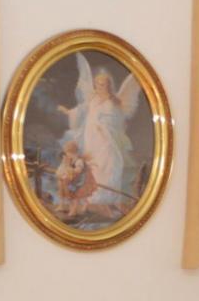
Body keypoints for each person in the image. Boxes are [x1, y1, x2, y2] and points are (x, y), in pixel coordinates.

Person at [57, 55, 144, 215]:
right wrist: (68, 111)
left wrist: (103, 126)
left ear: (108, 85)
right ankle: (91, 200)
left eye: (103, 84)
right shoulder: (93, 99)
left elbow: (117, 121)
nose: (99, 86)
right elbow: (82, 109)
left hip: (106, 139)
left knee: (110, 164)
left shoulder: (115, 101)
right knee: (93, 166)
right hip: (91, 139)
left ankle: (107, 200)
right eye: (97, 84)